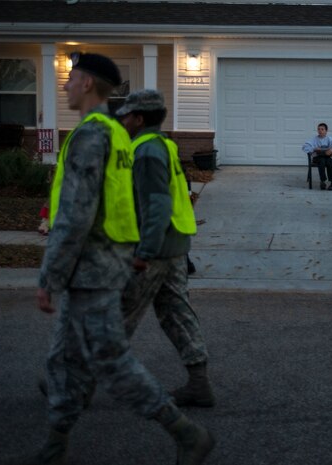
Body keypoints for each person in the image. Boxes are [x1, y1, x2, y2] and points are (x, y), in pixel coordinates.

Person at [29, 53, 213, 465]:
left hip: (99, 264)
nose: (66, 84)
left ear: (89, 83)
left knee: (111, 358)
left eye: (72, 77)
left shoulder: (98, 137)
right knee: (68, 356)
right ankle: (55, 444)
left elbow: (78, 213)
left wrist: (51, 276)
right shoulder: (119, 138)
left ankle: (185, 432)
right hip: (123, 255)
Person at [115, 89, 215, 407]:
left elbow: (157, 205)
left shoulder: (145, 151)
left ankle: (73, 384)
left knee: (114, 317)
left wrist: (143, 252)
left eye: (126, 114)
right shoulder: (165, 145)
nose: (122, 118)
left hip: (153, 251)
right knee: (177, 314)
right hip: (174, 246)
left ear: (139, 118)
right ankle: (199, 383)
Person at [302, 122, 332, 191]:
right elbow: (305, 146)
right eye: (318, 129)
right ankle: (322, 181)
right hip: (318, 157)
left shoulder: (329, 139)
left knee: (330, 162)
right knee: (322, 161)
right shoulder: (314, 139)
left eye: (322, 129)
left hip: (327, 156)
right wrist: (314, 149)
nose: (320, 131)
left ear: (326, 131)